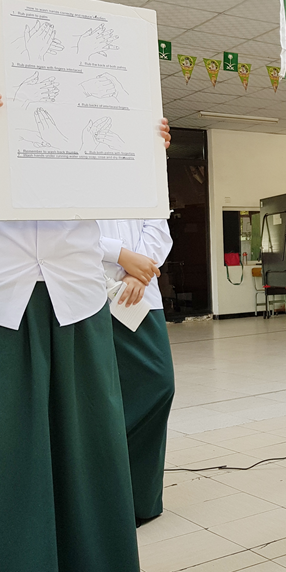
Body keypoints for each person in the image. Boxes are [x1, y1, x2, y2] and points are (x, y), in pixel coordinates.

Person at [0, 0, 166, 572]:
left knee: (88, 463)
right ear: (1, 11)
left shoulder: (93, 85)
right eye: (41, 7)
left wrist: (143, 154)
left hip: (74, 294)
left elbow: (109, 203)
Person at [98, 219, 175, 525]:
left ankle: (141, 498)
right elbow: (67, 230)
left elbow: (157, 228)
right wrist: (120, 255)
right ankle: (105, 501)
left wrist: (138, 272)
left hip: (140, 295)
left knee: (159, 384)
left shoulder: (148, 182)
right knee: (98, 400)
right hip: (93, 291)